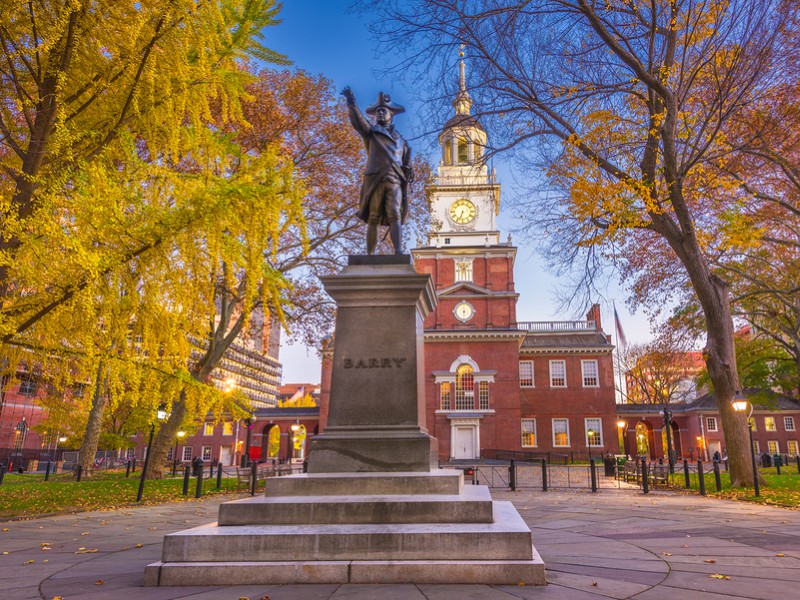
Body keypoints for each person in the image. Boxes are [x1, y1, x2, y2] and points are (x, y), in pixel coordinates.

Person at [342, 87, 413, 254]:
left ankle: (398, 251)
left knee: (395, 214)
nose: (380, 113)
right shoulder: (372, 132)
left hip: (394, 180)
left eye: (384, 111)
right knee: (373, 217)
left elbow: (406, 165)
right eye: (378, 111)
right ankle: (370, 254)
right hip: (375, 179)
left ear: (391, 114)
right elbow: (359, 122)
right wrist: (352, 104)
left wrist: (410, 171)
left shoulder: (402, 141)